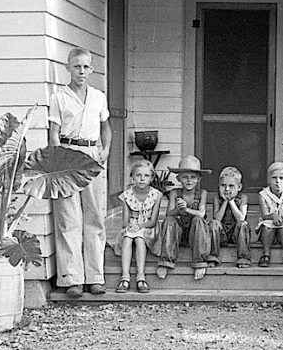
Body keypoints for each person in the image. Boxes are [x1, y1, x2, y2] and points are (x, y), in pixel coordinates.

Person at [49, 47, 111, 298]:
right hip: (67, 155)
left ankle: (95, 277)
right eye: (77, 67)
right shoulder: (59, 97)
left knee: (94, 217)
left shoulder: (98, 96)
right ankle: (72, 278)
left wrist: (105, 150)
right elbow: (54, 132)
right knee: (69, 218)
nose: (81, 71)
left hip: (92, 156)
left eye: (86, 67)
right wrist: (58, 159)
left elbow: (106, 127)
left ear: (92, 69)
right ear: (68, 68)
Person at [157, 155, 212, 281]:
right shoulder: (174, 193)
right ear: (179, 178)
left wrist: (186, 209)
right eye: (185, 177)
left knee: (198, 220)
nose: (189, 180)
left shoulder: (202, 193)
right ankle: (166, 261)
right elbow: (169, 214)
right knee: (170, 221)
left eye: (193, 177)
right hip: (178, 233)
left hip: (197, 234)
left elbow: (201, 213)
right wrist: (178, 209)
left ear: (198, 179)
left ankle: (199, 262)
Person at [114, 159, 163, 293]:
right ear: (132, 177)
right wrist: (131, 227)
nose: (142, 179)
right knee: (128, 237)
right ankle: (125, 278)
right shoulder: (126, 195)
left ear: (152, 178)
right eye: (138, 175)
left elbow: (153, 221)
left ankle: (141, 277)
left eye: (146, 176)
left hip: (148, 229)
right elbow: (124, 221)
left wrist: (139, 226)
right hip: (131, 227)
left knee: (139, 237)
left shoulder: (156, 195)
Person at [256, 161, 283, 267]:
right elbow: (265, 214)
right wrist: (273, 215)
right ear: (269, 180)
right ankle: (266, 254)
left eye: (281, 178)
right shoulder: (263, 195)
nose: (277, 181)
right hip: (268, 223)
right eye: (274, 178)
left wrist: (280, 217)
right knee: (267, 227)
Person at [210, 166, 251, 268]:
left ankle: (243, 258)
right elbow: (217, 219)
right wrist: (224, 202)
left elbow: (241, 218)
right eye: (223, 185)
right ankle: (213, 256)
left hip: (236, 234)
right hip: (222, 234)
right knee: (213, 224)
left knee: (243, 224)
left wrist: (231, 202)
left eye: (231, 186)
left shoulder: (243, 198)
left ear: (239, 187)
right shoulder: (217, 198)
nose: (227, 189)